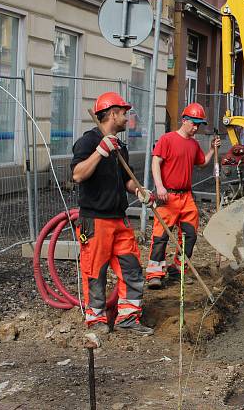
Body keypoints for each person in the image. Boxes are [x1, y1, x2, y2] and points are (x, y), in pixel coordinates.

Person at [71, 92, 154, 336]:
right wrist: (100, 151)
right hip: (95, 220)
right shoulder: (88, 142)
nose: (127, 118)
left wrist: (140, 191)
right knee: (95, 271)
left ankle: (128, 318)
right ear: (112, 113)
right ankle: (96, 321)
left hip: (119, 218)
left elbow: (126, 181)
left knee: (132, 269)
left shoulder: (120, 147)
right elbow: (77, 175)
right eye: (124, 113)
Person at [145, 102, 220, 289]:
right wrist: (159, 187)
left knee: (190, 235)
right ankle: (155, 274)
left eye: (199, 124)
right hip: (167, 197)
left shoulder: (193, 145)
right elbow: (156, 162)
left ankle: (179, 268)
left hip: (186, 197)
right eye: (193, 123)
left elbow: (201, 163)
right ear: (184, 120)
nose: (196, 127)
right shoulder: (167, 139)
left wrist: (212, 149)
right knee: (160, 236)